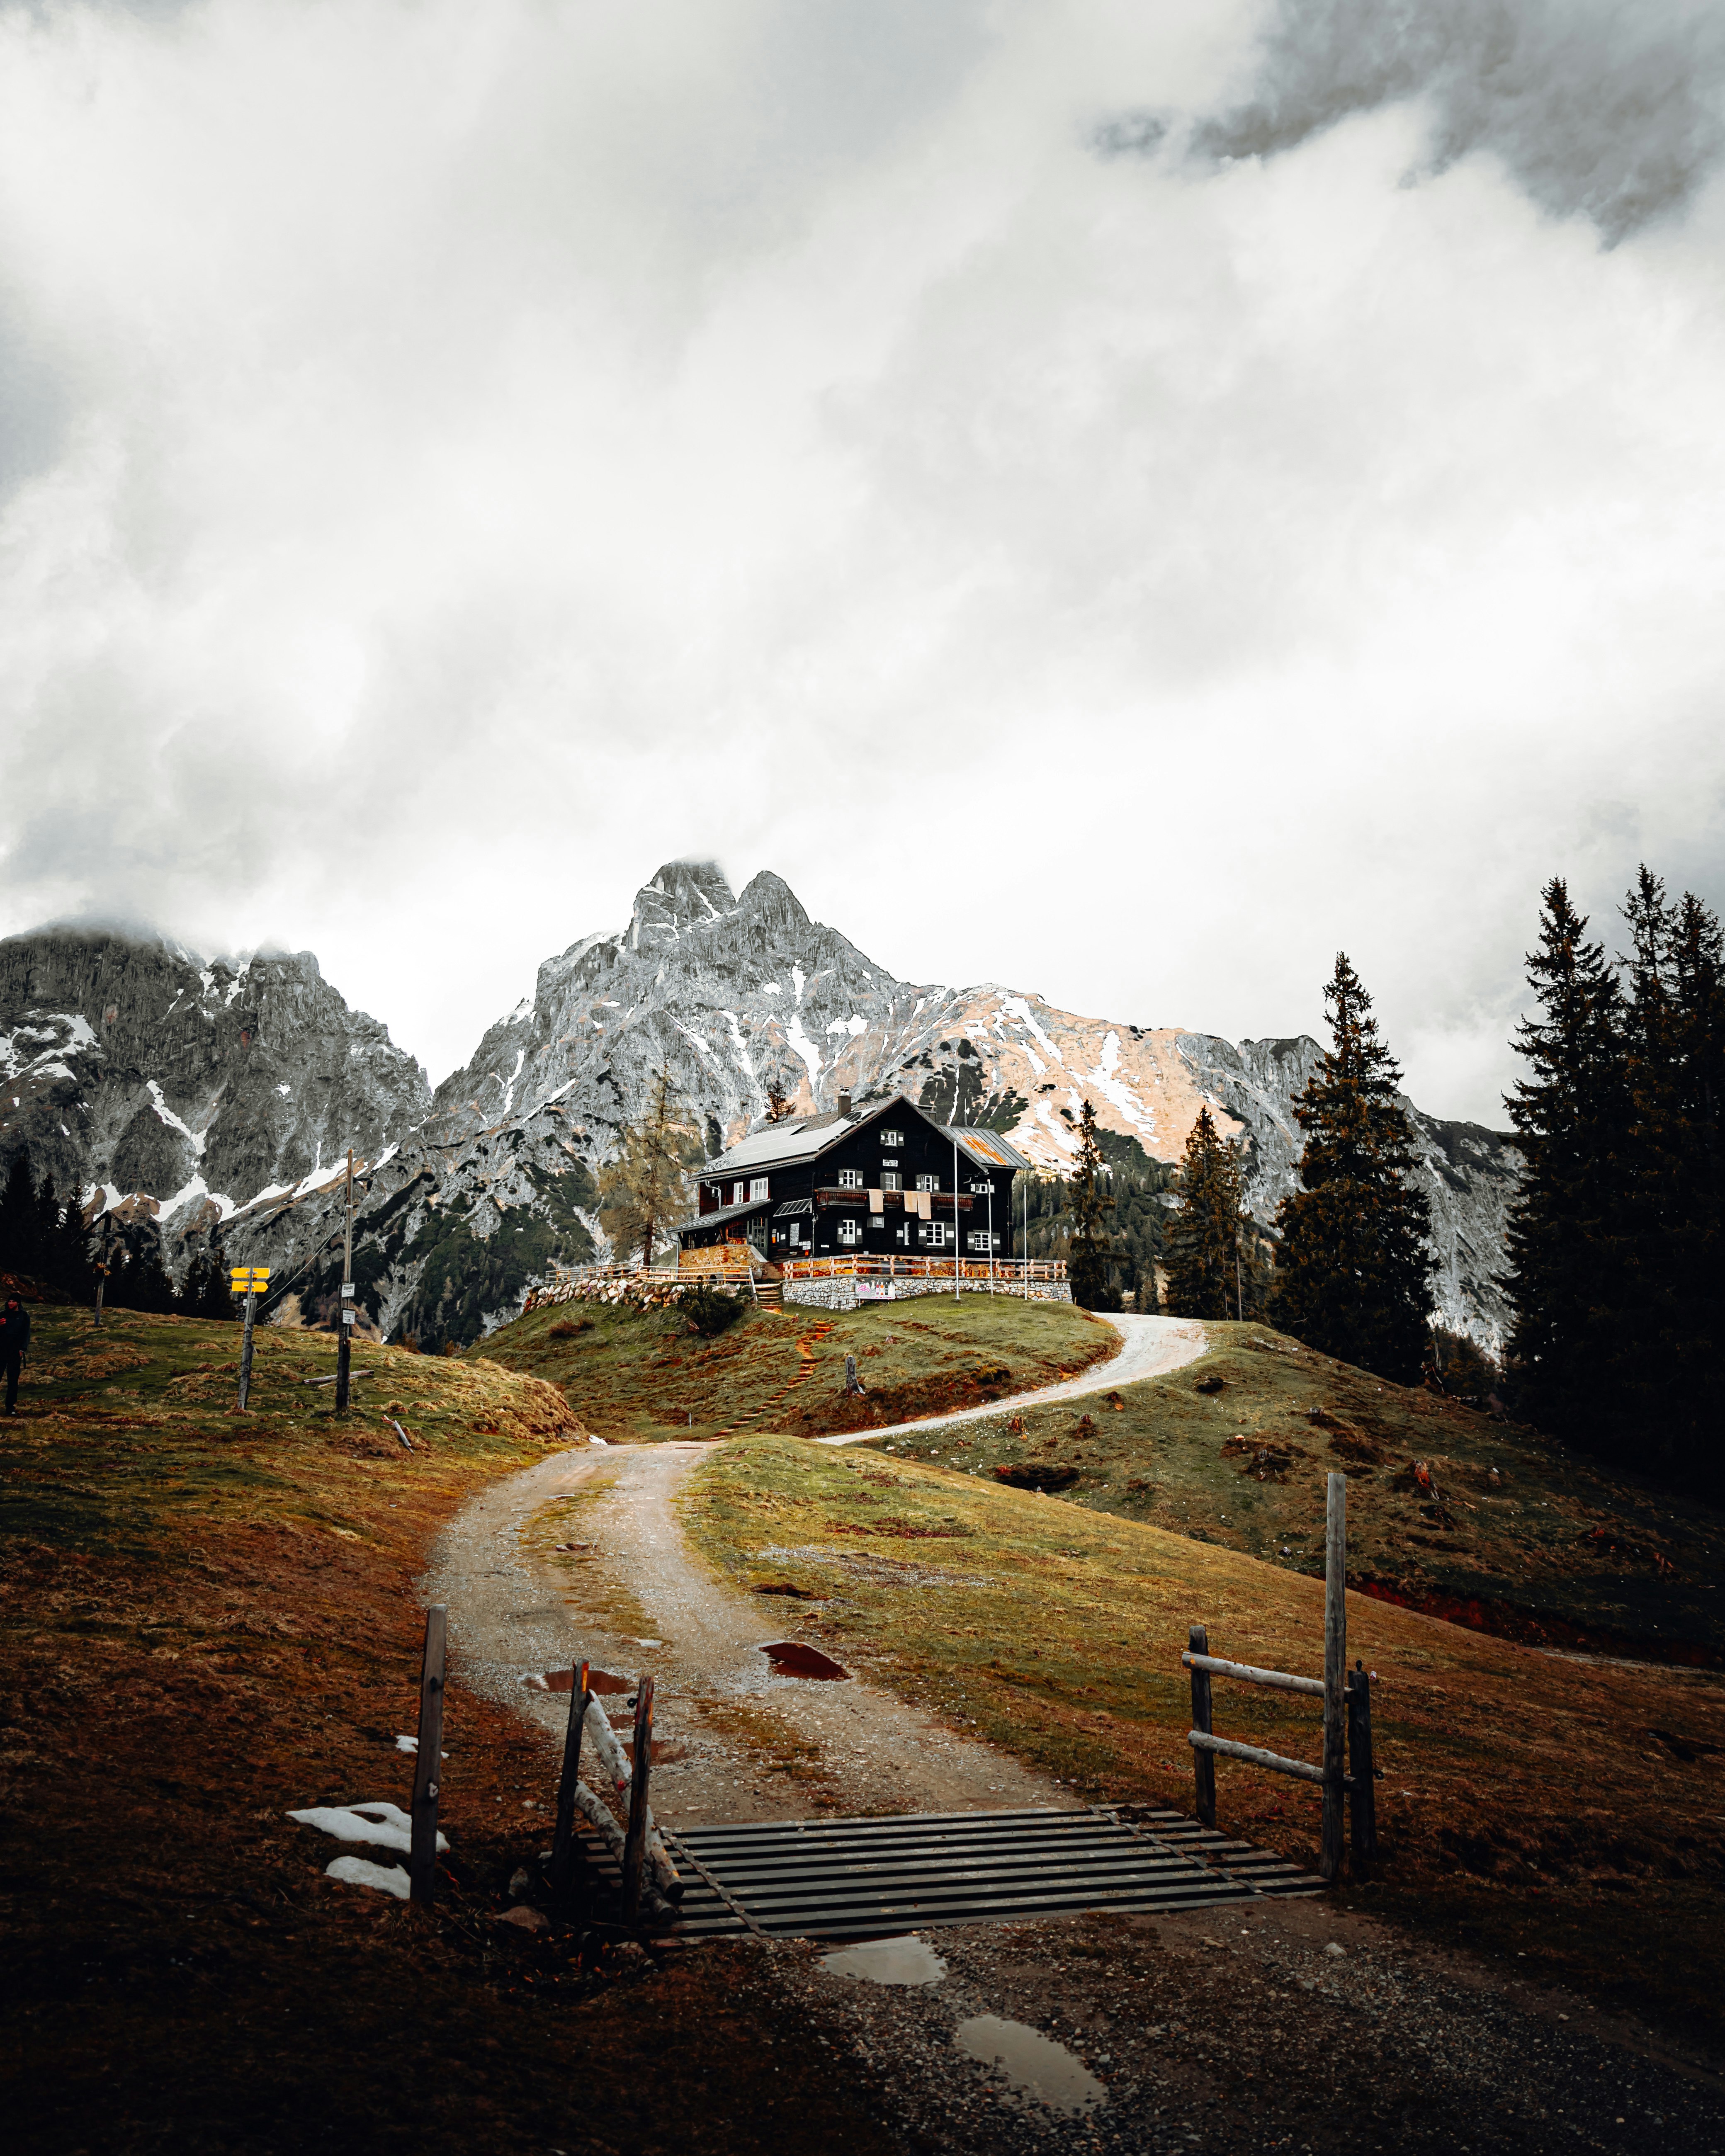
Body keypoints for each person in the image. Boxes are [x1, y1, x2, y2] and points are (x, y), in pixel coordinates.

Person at [0, 1294, 28, 1415]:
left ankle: (10, 1407)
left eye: (13, 1301)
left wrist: (22, 1349)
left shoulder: (24, 1316)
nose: (11, 1303)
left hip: (15, 1351)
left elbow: (26, 1333)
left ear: (18, 1303)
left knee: (13, 1380)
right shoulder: (3, 1315)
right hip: (1, 1350)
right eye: (9, 1301)